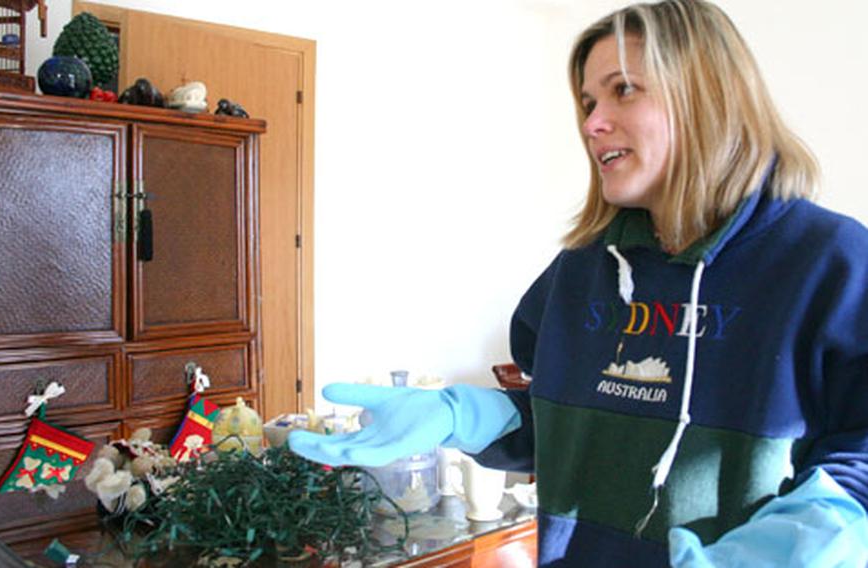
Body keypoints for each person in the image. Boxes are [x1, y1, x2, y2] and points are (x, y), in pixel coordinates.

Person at [289, 0, 868, 565]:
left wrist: (802, 539)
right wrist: (463, 416)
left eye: (624, 90)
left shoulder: (831, 264)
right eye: (588, 101)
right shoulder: (582, 270)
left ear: (706, 97)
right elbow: (570, 429)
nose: (592, 123)